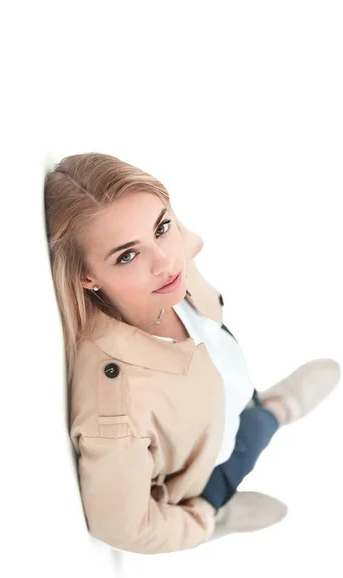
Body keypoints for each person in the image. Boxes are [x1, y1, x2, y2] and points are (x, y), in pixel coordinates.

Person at [44, 152, 341, 554]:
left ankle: (263, 403)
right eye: (127, 255)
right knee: (256, 432)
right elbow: (125, 527)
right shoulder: (115, 403)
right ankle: (241, 477)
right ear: (86, 275)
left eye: (163, 228)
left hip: (226, 389)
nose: (167, 263)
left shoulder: (165, 266)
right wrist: (201, 518)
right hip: (208, 467)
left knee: (246, 402)